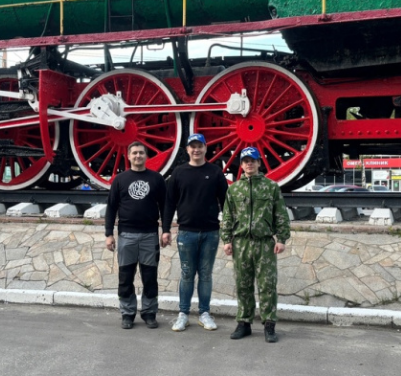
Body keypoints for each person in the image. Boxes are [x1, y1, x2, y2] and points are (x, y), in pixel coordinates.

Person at [220, 147, 291, 343]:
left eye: (253, 160)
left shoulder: (271, 187)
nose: (249, 164)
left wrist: (282, 239)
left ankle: (269, 324)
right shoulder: (234, 189)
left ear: (259, 163)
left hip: (264, 243)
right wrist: (226, 240)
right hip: (241, 242)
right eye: (245, 161)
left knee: (267, 285)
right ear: (241, 165)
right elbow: (227, 216)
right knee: (243, 285)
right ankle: (244, 323)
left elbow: (280, 214)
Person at [161, 133, 228, 332]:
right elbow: (169, 203)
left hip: (211, 232)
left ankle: (204, 313)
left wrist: (230, 232)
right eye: (192, 146)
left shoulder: (215, 172)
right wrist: (165, 229)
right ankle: (183, 313)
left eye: (200, 146)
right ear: (187, 150)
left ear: (206, 148)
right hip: (186, 232)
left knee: (206, 274)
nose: (196, 150)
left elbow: (226, 203)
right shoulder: (179, 172)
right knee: (187, 274)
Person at [105, 141, 167, 330]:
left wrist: (165, 230)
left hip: (150, 235)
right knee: (125, 277)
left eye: (141, 153)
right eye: (134, 153)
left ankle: (149, 313)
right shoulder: (120, 180)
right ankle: (127, 313)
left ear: (146, 156)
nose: (138, 156)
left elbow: (164, 206)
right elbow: (111, 207)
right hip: (126, 235)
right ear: (129, 156)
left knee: (149, 277)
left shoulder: (156, 178)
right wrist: (109, 234)